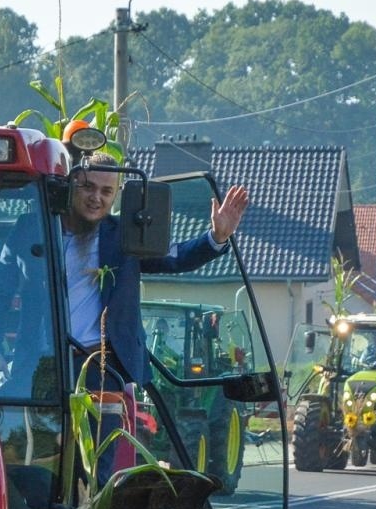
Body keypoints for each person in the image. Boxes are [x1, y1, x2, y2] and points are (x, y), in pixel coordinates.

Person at [63, 158, 249, 385]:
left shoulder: (124, 235)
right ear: (73, 184)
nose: (96, 197)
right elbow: (7, 287)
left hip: (102, 369)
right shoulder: (36, 230)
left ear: (117, 195)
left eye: (106, 191)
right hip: (44, 363)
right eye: (89, 187)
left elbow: (175, 257)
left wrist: (216, 238)